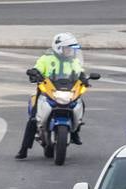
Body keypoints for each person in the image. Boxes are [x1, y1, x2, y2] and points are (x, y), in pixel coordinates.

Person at [15, 32, 84, 160]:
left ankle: (75, 131)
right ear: (59, 48)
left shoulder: (73, 61)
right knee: (33, 119)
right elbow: (38, 68)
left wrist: (84, 78)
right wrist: (35, 72)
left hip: (67, 91)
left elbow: (80, 72)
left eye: (72, 49)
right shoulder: (46, 59)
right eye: (68, 48)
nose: (70, 51)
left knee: (81, 103)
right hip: (47, 92)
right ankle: (24, 149)